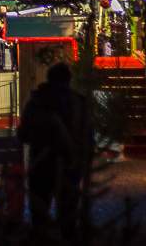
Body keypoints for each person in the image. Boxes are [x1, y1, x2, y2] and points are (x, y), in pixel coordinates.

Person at [20, 62, 92, 239]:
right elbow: (87, 136)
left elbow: (24, 134)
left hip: (41, 163)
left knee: (39, 213)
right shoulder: (78, 103)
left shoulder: (37, 102)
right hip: (70, 164)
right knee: (68, 214)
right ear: (69, 80)